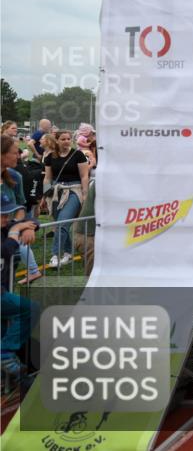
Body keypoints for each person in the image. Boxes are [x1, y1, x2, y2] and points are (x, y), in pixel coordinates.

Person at [1, 196, 41, 387]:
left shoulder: (6, 227)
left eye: (7, 213)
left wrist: (24, 227)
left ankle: (9, 374)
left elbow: (35, 222)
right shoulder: (8, 231)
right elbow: (5, 251)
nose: (6, 218)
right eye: (2, 214)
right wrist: (16, 231)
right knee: (30, 309)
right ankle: (6, 354)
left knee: (5, 328)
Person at [43, 130, 90, 269]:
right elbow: (47, 177)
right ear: (56, 140)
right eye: (63, 139)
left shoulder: (78, 154)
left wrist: (85, 194)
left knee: (62, 223)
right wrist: (45, 194)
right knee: (59, 223)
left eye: (69, 138)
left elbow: (84, 176)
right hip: (56, 191)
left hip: (74, 191)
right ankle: (68, 253)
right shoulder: (50, 156)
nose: (66, 141)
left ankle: (55, 255)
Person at [1, 136, 42, 284]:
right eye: (14, 152)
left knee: (6, 283)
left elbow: (20, 208)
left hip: (8, 241)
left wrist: (23, 226)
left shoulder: (14, 176)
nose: (18, 155)